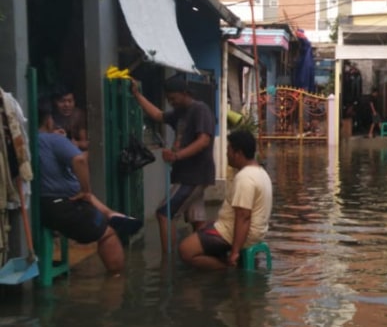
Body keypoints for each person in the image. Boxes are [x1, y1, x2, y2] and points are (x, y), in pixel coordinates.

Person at [38, 101, 141, 274]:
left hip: (44, 204)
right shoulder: (54, 139)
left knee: (87, 201)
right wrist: (85, 190)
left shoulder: (27, 141)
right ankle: (117, 283)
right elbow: (80, 160)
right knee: (107, 233)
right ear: (49, 120)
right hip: (61, 204)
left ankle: (108, 213)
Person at [131, 75, 214, 253]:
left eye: (173, 98)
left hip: (194, 175)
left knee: (164, 212)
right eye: (168, 99)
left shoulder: (200, 109)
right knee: (197, 220)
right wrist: (137, 95)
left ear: (184, 93)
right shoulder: (179, 113)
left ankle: (167, 262)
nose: (171, 102)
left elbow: (203, 141)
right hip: (187, 175)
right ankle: (206, 256)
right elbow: (157, 115)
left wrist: (177, 156)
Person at [179, 128, 272, 271]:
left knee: (185, 250)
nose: (226, 154)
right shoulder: (261, 173)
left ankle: (227, 269)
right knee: (203, 226)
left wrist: (235, 252)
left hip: (237, 234)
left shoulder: (245, 178)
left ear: (238, 153)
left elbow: (244, 217)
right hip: (254, 232)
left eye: (229, 150)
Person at [52, 86, 89, 151]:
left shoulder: (79, 115)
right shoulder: (50, 116)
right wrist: (52, 134)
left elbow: (85, 143)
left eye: (70, 101)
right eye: (62, 101)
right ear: (55, 102)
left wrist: (76, 143)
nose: (67, 105)